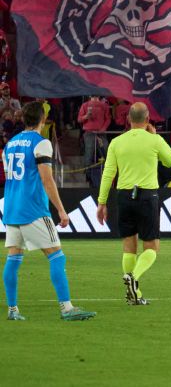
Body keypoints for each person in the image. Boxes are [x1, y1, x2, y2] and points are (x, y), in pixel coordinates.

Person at [3, 101, 96, 321]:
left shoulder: (10, 144)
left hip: (12, 208)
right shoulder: (41, 142)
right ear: (43, 119)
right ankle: (67, 308)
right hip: (33, 209)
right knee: (56, 256)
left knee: (14, 257)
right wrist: (62, 211)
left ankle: (13, 310)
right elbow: (47, 179)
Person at [95, 103, 171, 305]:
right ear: (148, 120)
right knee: (152, 246)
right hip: (147, 196)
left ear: (128, 120)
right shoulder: (154, 139)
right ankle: (134, 277)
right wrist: (155, 136)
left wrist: (101, 202)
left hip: (123, 196)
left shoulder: (116, 142)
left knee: (128, 247)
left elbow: (108, 173)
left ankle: (134, 295)